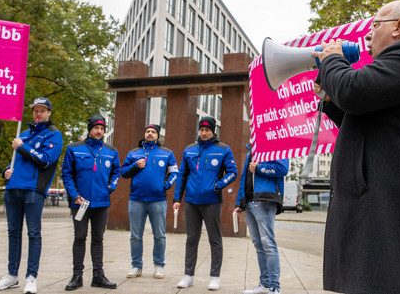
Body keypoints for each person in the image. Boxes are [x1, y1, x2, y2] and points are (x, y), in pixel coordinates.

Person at [312, 0, 400, 293]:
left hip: (394, 209)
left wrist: (332, 62)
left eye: (375, 25)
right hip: (385, 206)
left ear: (399, 27)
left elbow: (353, 92)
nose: (368, 34)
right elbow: (365, 121)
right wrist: (330, 97)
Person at [0, 97, 63, 294]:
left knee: (33, 233)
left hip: (33, 190)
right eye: (35, 111)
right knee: (13, 233)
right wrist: (6, 171)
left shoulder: (54, 135)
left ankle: (31, 277)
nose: (38, 114)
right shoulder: (24, 133)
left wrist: (22, 146)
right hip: (13, 188)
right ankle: (11, 275)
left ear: (49, 113)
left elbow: (45, 160)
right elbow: (15, 161)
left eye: (42, 110)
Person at [173, 116, 238, 291]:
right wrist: (177, 199)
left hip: (212, 202)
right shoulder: (189, 149)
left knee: (214, 240)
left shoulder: (223, 149)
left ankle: (215, 277)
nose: (203, 133)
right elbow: (182, 175)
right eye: (201, 130)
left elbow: (233, 172)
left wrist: (217, 186)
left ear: (213, 130)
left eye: (207, 130)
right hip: (191, 201)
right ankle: (188, 276)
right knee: (191, 239)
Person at [61, 115, 121, 291]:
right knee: (79, 237)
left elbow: (116, 172)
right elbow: (67, 174)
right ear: (90, 129)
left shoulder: (111, 151)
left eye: (102, 129)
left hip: (102, 203)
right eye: (96, 128)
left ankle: (98, 276)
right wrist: (75, 195)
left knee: (98, 238)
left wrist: (110, 187)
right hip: (80, 203)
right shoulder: (74, 148)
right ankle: (77, 276)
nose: (99, 131)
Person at [121, 124, 178, 279]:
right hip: (136, 199)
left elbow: (174, 172)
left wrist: (165, 185)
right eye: (147, 131)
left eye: (153, 132)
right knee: (135, 236)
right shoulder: (134, 153)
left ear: (157, 135)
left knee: (159, 235)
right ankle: (136, 266)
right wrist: (135, 165)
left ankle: (159, 265)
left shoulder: (166, 153)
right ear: (144, 134)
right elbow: (123, 173)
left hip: (158, 200)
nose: (150, 134)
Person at [234, 143, 289, 294]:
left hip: (265, 199)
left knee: (268, 243)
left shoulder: (277, 145)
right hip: (250, 202)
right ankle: (264, 284)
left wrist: (259, 168)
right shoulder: (251, 149)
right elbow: (244, 177)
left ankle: (274, 287)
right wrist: (240, 202)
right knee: (258, 244)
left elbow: (283, 169)